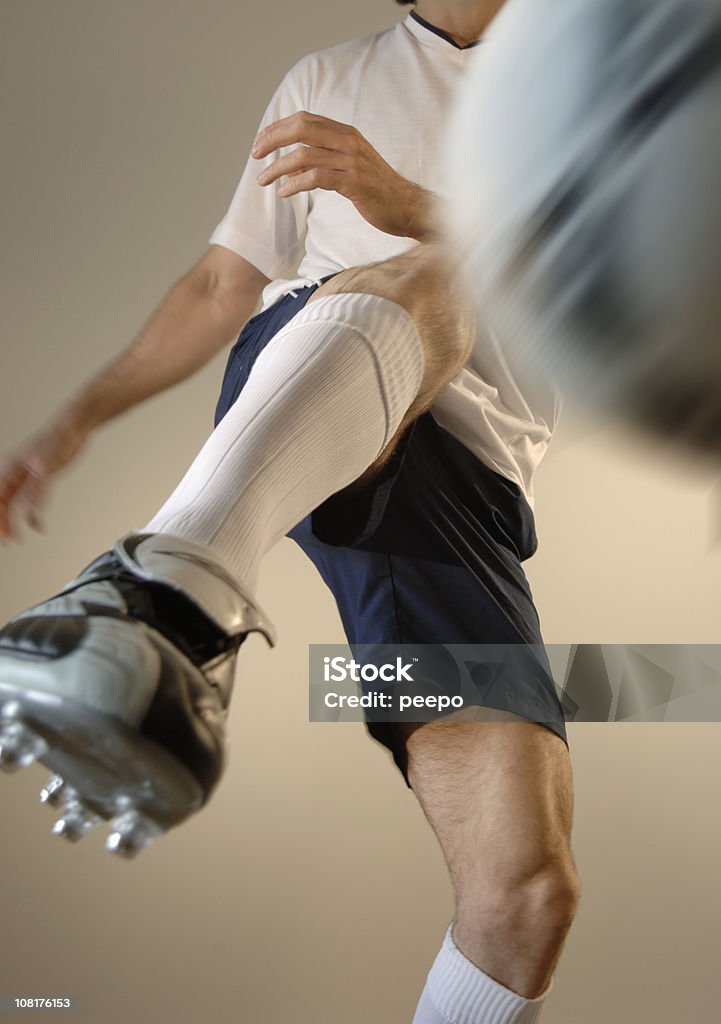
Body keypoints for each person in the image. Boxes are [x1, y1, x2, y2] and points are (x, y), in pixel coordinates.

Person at [0, 1, 579, 1021]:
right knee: (432, 277)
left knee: (524, 895)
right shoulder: (328, 80)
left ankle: (151, 606)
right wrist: (76, 418)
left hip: (465, 501)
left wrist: (412, 200)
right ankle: (157, 590)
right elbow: (226, 279)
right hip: (313, 377)